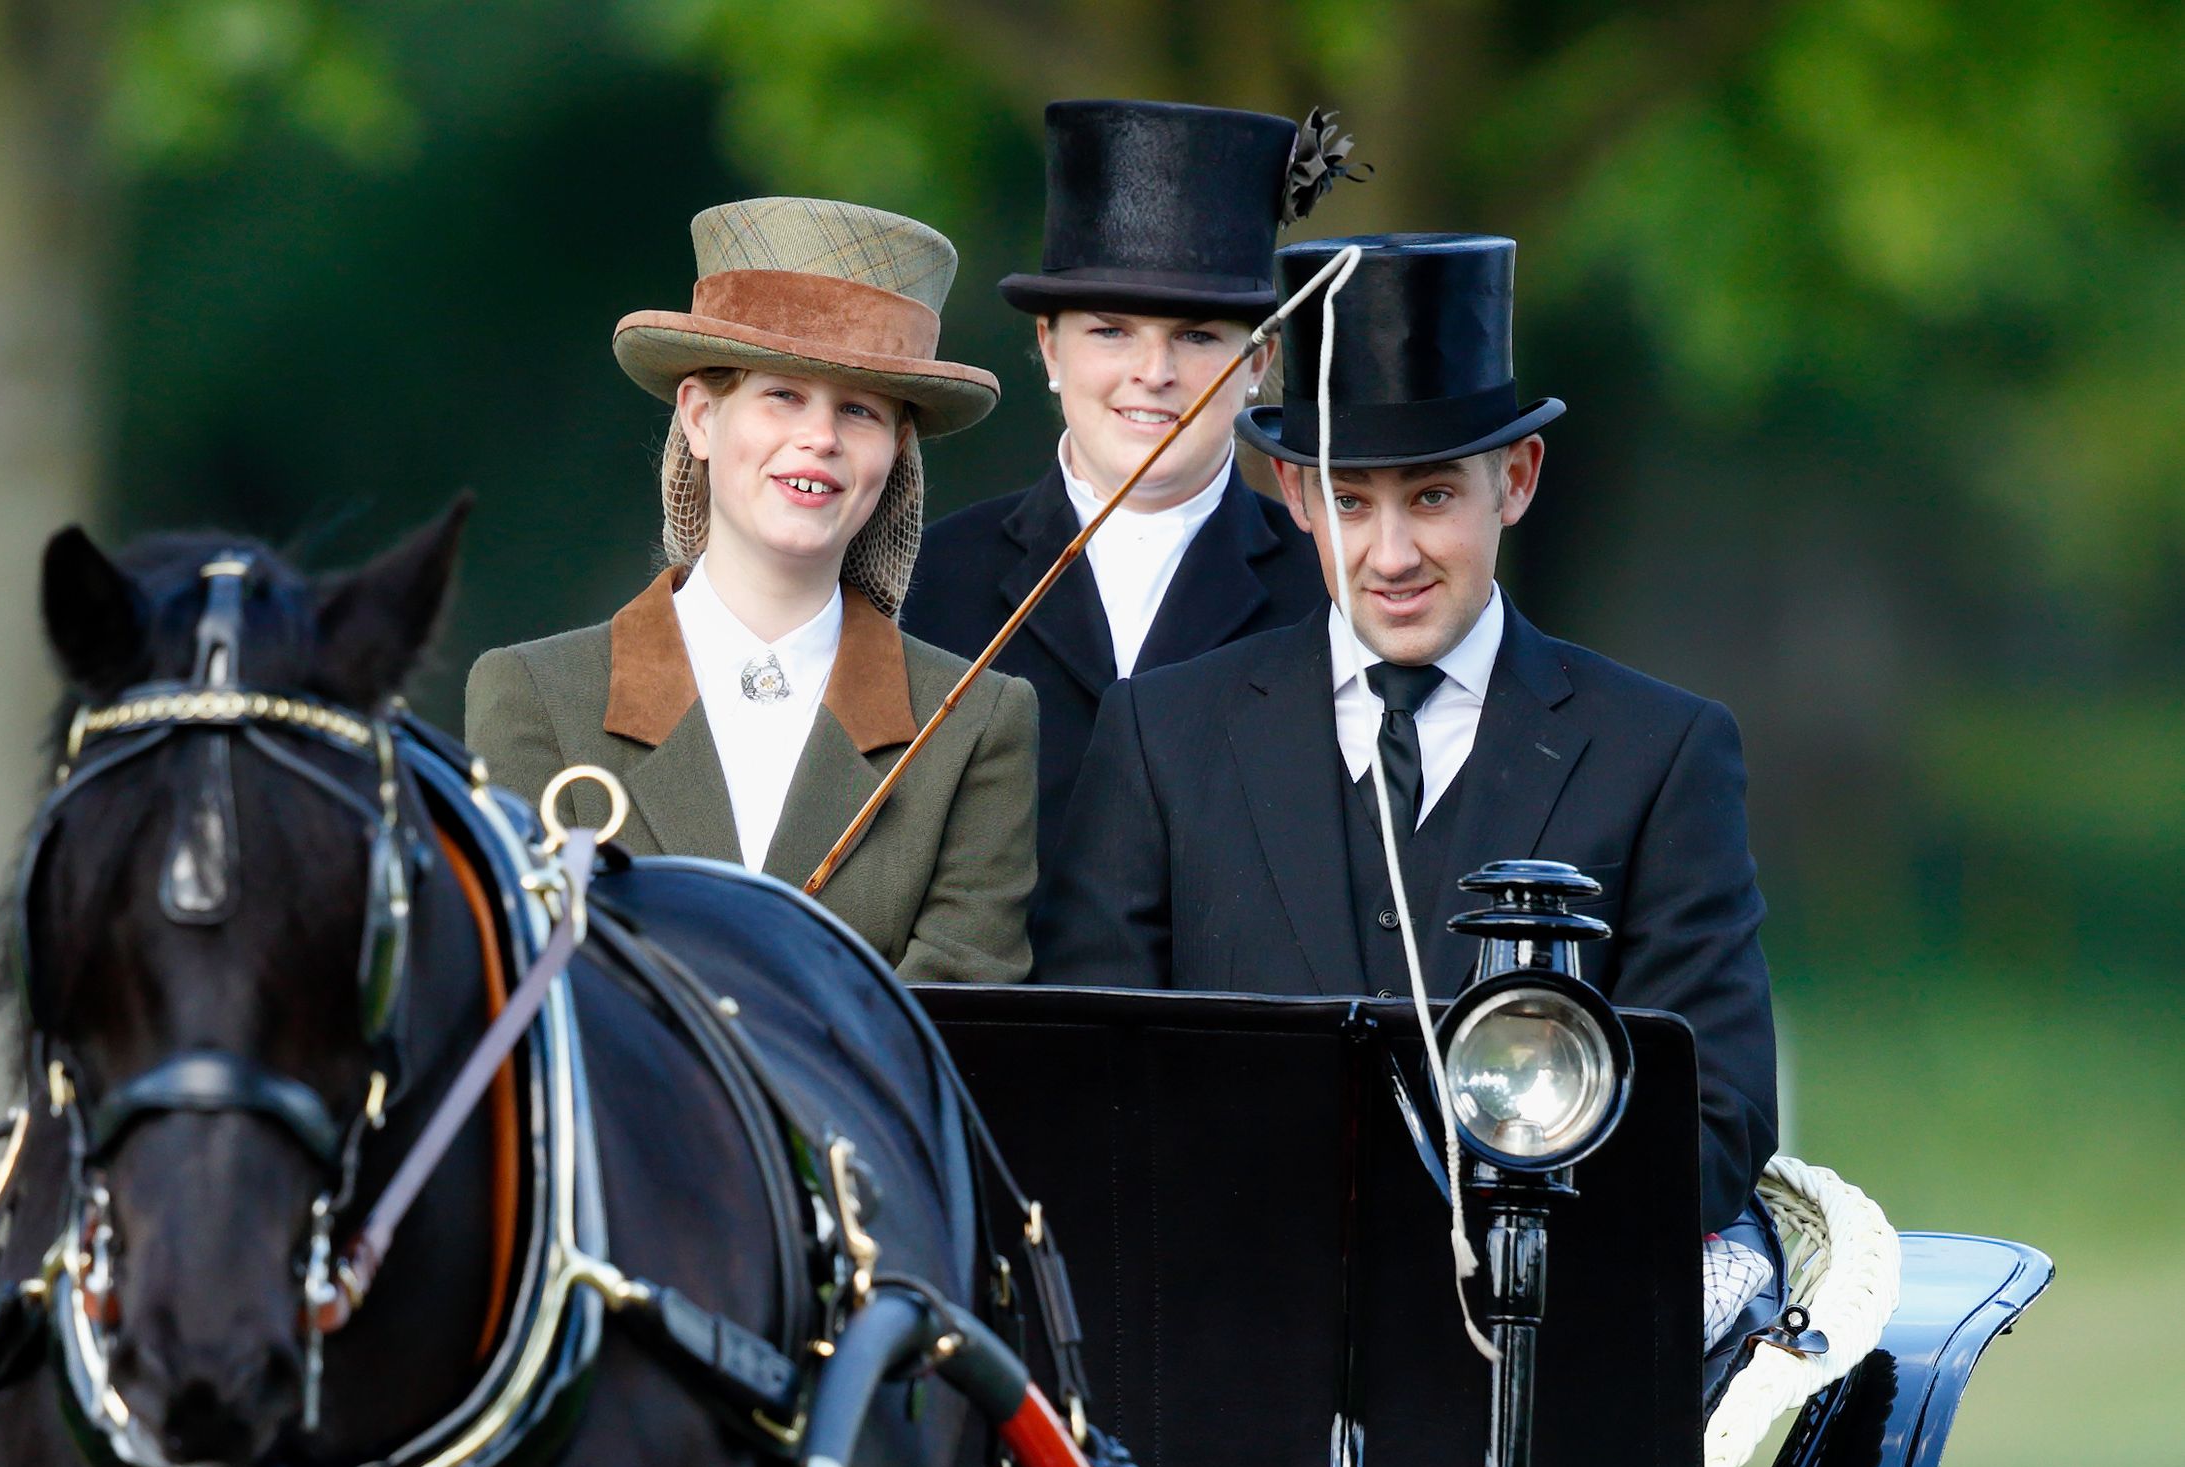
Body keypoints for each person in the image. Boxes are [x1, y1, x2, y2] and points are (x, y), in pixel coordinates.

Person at [1033, 234, 1777, 1230]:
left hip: (1527, 1352)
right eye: (1349, 501)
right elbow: (1084, 1084)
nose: (1390, 556)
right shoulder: (1162, 738)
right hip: (1229, 1345)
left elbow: (1714, 1124)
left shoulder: (1661, 753)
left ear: (1514, 479)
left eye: (1431, 497)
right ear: (1294, 495)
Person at [468, 197, 1040, 982]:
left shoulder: (977, 725)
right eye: (783, 395)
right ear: (701, 417)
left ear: (896, 451)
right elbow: (513, 984)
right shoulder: (534, 698)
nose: (821, 437)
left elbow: (958, 1021)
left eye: (860, 410)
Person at [902, 100, 1355, 870]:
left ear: (1255, 364)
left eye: (1198, 336)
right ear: (1050, 348)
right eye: (1111, 331)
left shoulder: (1335, 590)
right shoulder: (925, 581)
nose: (1154, 373)